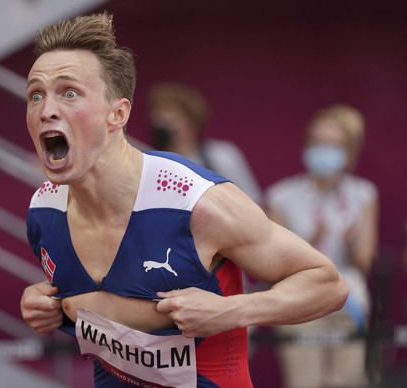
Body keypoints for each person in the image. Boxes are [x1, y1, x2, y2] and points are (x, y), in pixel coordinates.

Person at [20, 12, 348, 388]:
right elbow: (102, 303)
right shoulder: (43, 212)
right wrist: (48, 306)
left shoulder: (196, 202)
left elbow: (328, 284)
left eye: (69, 92)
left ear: (118, 113)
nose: (46, 110)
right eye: (36, 95)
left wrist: (232, 310)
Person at [265, 104, 379, 388]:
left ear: (349, 152)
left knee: (350, 382)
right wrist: (310, 243)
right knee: (303, 382)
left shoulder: (363, 194)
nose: (323, 150)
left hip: (350, 304)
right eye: (317, 143)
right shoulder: (281, 196)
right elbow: (272, 265)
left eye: (333, 145)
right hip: (300, 304)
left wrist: (352, 240)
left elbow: (365, 262)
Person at [147, 82, 262, 204]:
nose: (162, 126)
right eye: (158, 119)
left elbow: (251, 201)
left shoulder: (222, 155)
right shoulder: (150, 163)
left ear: (192, 124)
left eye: (171, 120)